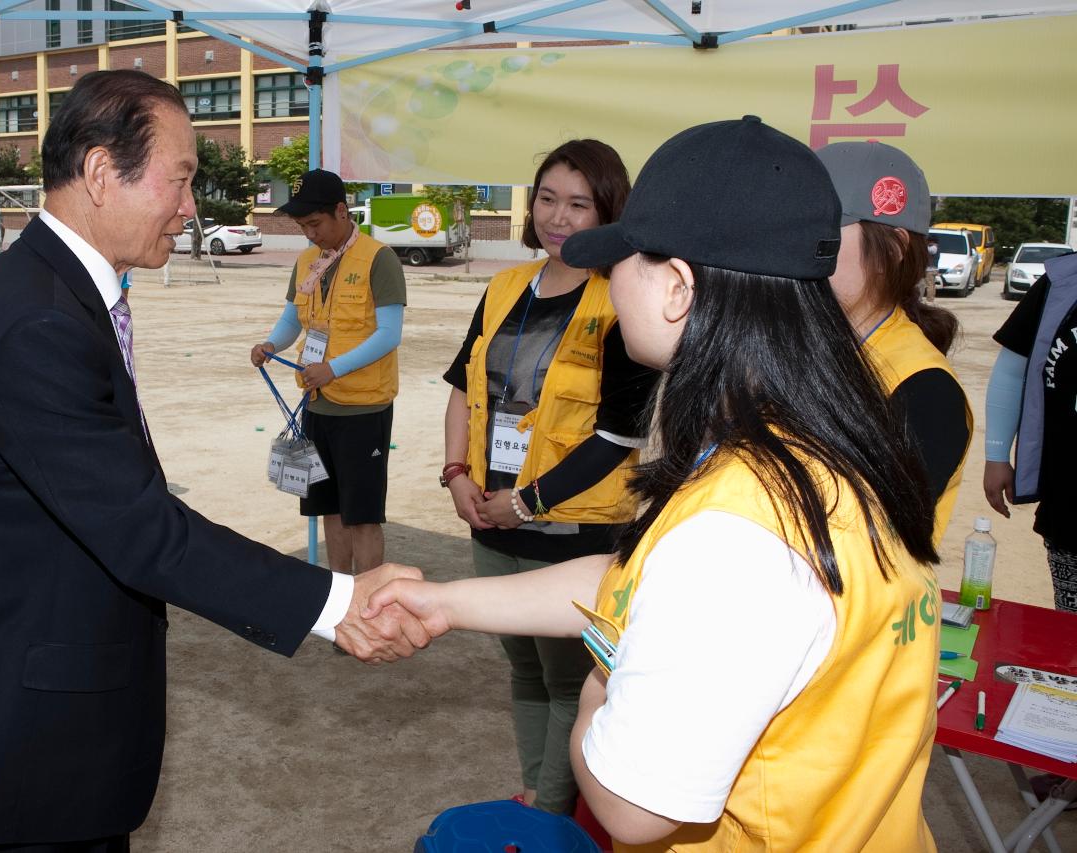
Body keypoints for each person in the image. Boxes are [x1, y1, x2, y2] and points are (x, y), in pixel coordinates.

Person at [367, 117, 942, 850]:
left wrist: (602, 681)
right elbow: (639, 577)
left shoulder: (737, 530)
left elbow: (633, 806)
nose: (611, 283)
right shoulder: (828, 444)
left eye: (623, 261)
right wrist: (444, 601)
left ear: (677, 288)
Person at [0, 70, 427, 853]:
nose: (190, 208)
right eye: (179, 181)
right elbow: (143, 530)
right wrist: (333, 602)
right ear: (104, 173)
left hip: (34, 700)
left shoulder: (54, 287)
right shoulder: (39, 322)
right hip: (27, 731)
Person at [440, 139, 657, 815]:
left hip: (573, 527)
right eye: (546, 199)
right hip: (490, 516)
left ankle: (551, 810)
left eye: (578, 204)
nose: (558, 218)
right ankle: (536, 784)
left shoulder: (620, 297)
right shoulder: (506, 286)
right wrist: (455, 475)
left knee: (570, 681)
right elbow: (460, 385)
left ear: (608, 213)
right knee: (524, 669)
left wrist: (527, 504)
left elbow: (620, 433)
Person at [249, 169, 405, 575]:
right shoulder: (306, 262)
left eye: (314, 224)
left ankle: (369, 596)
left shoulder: (378, 259)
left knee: (363, 516)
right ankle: (341, 597)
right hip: (316, 406)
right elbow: (291, 320)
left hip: (362, 410)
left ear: (341, 211)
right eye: (303, 226)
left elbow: (389, 335)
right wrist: (270, 345)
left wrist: (333, 369)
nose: (309, 235)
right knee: (330, 510)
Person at [816, 141, 971, 544]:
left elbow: (861, 542)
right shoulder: (808, 349)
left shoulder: (925, 391)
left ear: (894, 249)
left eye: (825, 232)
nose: (802, 250)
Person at [983, 249, 1077, 614]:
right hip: (1069, 506)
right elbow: (1011, 371)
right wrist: (996, 455)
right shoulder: (1061, 283)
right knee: (1070, 632)